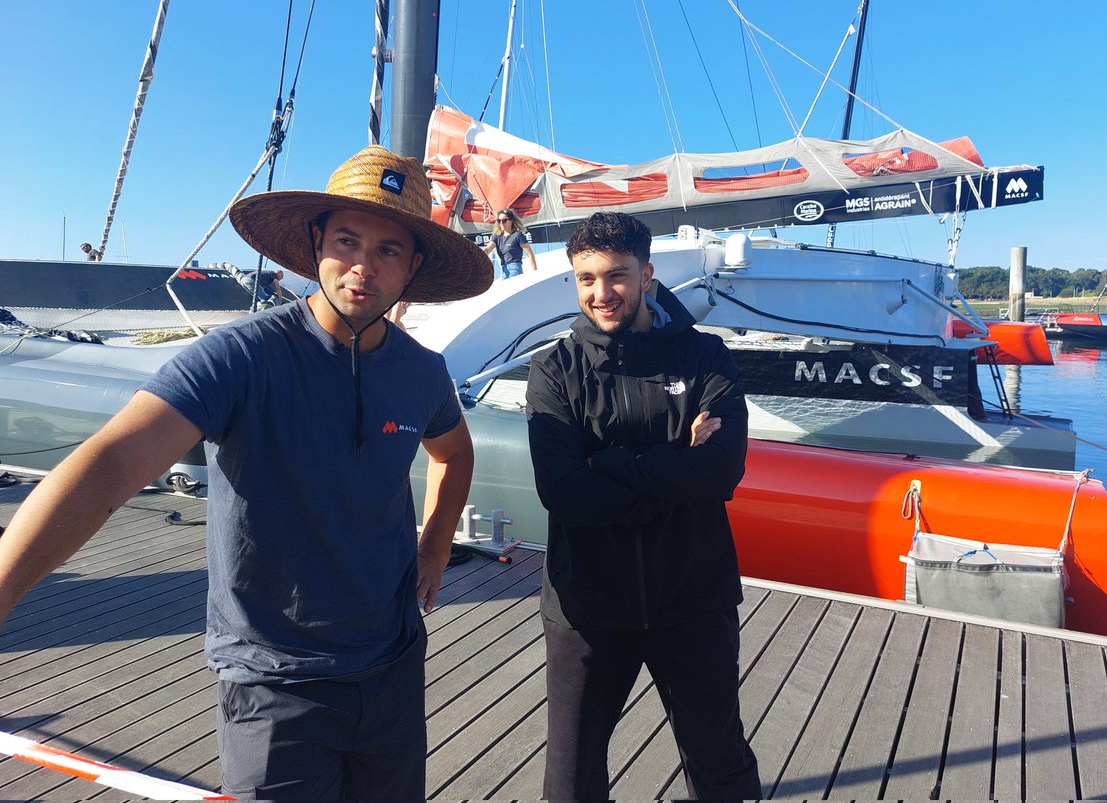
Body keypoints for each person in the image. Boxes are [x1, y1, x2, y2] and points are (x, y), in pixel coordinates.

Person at [0, 145, 493, 799]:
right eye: (347, 240)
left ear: (414, 267)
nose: (363, 268)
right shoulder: (239, 357)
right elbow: (112, 464)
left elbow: (454, 453)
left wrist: (435, 543)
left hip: (392, 667)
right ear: (316, 241)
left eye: (389, 251)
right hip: (274, 682)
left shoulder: (420, 371)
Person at [525, 211, 761, 800]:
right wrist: (671, 472)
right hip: (587, 605)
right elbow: (562, 492)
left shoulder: (706, 357)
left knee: (720, 760)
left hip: (693, 597)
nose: (601, 294)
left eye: (616, 276)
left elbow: (721, 469)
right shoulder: (554, 370)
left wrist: (609, 466)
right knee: (572, 775)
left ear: (647, 275)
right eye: (586, 279)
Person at [481, 207, 537, 278]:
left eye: (504, 220)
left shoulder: (518, 235)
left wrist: (535, 272)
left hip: (515, 269)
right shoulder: (496, 236)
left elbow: (530, 255)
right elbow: (488, 249)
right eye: (499, 220)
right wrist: (478, 254)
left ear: (511, 221)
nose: (501, 223)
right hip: (504, 271)